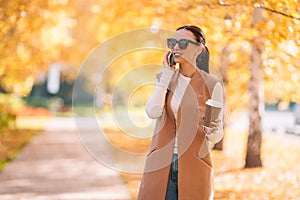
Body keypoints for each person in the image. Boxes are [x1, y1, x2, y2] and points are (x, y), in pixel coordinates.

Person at [137, 25, 224, 200]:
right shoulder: (166, 78)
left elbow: (217, 135)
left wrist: (213, 130)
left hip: (195, 166)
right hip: (161, 164)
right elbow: (152, 112)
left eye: (182, 42)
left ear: (199, 49)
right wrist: (167, 75)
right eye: (172, 42)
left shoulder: (213, 85)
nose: (175, 47)